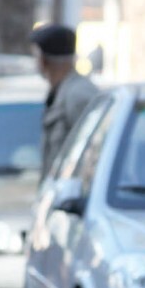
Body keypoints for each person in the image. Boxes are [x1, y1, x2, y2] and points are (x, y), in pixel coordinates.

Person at [29, 23, 99, 180]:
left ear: (44, 60)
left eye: (36, 56)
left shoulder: (79, 96)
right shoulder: (60, 93)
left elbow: (93, 153)